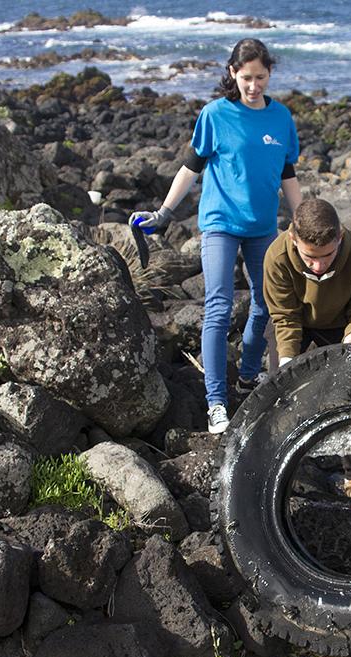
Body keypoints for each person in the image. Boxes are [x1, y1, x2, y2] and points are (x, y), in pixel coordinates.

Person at [130, 38, 302, 434]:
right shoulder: (215, 115)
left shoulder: (281, 118)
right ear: (232, 74)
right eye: (246, 77)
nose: (253, 85)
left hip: (262, 228)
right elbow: (190, 168)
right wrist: (165, 213)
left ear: (269, 74)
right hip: (220, 223)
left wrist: (301, 220)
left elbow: (287, 175)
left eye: (260, 77)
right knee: (219, 307)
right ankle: (216, 402)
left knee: (267, 307)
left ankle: (246, 377)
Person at [263, 198, 351, 366]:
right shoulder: (277, 257)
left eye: (328, 255)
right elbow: (285, 316)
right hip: (291, 323)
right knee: (280, 381)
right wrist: (287, 358)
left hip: (341, 324)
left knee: (349, 383)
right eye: (310, 257)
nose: (318, 266)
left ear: (340, 237)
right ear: (293, 239)